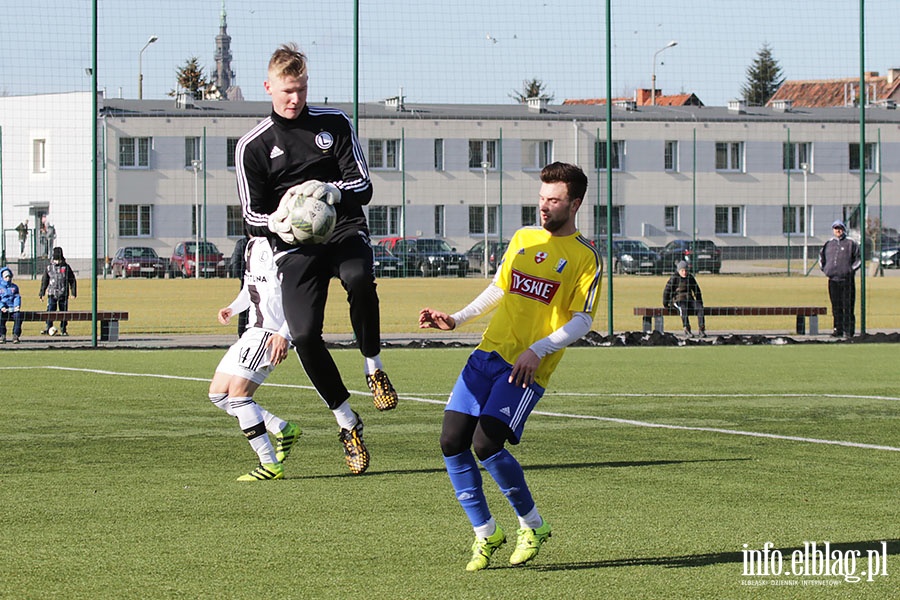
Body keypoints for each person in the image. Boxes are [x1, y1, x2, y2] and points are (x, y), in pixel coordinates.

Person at [419, 162, 602, 571]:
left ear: (574, 203)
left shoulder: (585, 257)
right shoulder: (523, 237)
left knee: (486, 444)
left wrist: (538, 349)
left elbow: (583, 320)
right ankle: (486, 533)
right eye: (541, 199)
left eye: (553, 201)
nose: (544, 207)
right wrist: (457, 318)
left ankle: (532, 525)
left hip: (525, 368)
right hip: (487, 354)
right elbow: (500, 287)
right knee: (451, 441)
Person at [235, 43, 398, 475]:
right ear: (268, 87)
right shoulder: (252, 146)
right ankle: (347, 422)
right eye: (288, 90)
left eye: (302, 90)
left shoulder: (334, 123)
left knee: (359, 278)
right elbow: (250, 216)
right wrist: (279, 222)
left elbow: (364, 185)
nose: (295, 99)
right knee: (304, 336)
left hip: (343, 228)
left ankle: (373, 366)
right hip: (292, 246)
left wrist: (334, 192)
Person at [210, 236, 300, 481]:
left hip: (270, 332)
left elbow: (300, 296)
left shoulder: (284, 246)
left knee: (239, 397)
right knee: (219, 395)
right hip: (252, 332)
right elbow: (251, 288)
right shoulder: (250, 245)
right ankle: (283, 429)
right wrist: (232, 307)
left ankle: (269, 464)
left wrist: (284, 334)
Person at [819, 220, 861, 338]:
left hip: (847, 281)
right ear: (833, 230)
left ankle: (848, 331)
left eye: (840, 228)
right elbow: (821, 259)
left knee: (847, 306)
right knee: (836, 306)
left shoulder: (851, 243)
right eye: (836, 228)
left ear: (844, 229)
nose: (838, 230)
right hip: (833, 280)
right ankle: (838, 329)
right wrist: (827, 270)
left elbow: (858, 260)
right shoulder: (828, 244)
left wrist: (850, 271)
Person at [39, 246, 77, 336]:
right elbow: (44, 280)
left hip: (63, 293)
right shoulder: (49, 268)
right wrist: (42, 293)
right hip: (52, 294)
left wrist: (73, 292)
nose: (57, 262)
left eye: (59, 260)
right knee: (50, 310)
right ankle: (48, 327)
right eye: (56, 260)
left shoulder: (66, 267)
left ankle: (63, 329)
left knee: (63, 312)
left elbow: (72, 280)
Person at [662, 260, 706, 337]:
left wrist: (699, 302)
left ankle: (701, 329)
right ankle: (687, 329)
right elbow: (667, 291)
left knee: (700, 308)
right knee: (683, 308)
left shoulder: (690, 278)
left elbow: (696, 290)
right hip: (677, 300)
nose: (684, 272)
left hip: (689, 299)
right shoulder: (674, 278)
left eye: (686, 270)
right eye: (682, 270)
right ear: (679, 270)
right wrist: (666, 303)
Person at [230, 234, 250, 338]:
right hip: (250, 284)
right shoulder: (242, 244)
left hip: (248, 282)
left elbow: (235, 266)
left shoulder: (242, 243)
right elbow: (236, 266)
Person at [0, 266, 24, 344]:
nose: (8, 278)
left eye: (9, 277)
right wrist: (2, 306)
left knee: (18, 316)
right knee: (0, 317)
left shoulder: (14, 287)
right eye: (6, 277)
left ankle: (15, 335)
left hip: (13, 308)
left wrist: (17, 306)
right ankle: (2, 335)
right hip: (3, 309)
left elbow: (17, 297)